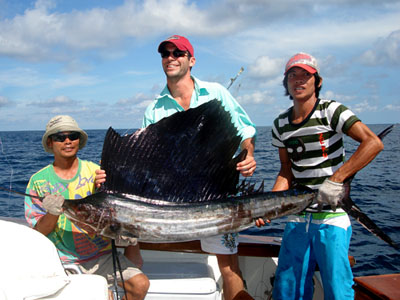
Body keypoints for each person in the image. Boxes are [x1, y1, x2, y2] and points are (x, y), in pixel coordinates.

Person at [256, 53, 384, 299]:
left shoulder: (331, 111)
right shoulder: (280, 124)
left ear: (318, 81)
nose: (299, 80)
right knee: (287, 290)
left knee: (337, 290)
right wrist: (268, 206)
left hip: (331, 216)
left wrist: (336, 180)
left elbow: (373, 143)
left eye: (306, 75)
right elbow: (286, 171)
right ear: (286, 83)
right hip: (297, 216)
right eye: (292, 75)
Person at [141, 34, 257, 300]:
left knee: (229, 269)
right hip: (175, 204)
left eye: (177, 53)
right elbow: (149, 162)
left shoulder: (216, 93)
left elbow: (245, 131)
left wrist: (248, 155)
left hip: (217, 196)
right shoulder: (154, 110)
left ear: (191, 60)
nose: (170, 58)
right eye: (165, 53)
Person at [24, 115, 150, 300]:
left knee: (140, 285)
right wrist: (52, 213)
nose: (67, 141)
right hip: (62, 260)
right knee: (100, 295)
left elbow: (117, 213)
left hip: (102, 255)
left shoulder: (97, 172)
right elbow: (38, 233)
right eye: (60, 137)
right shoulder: (38, 181)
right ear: (50, 143)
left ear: (79, 141)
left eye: (73, 136)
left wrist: (108, 188)